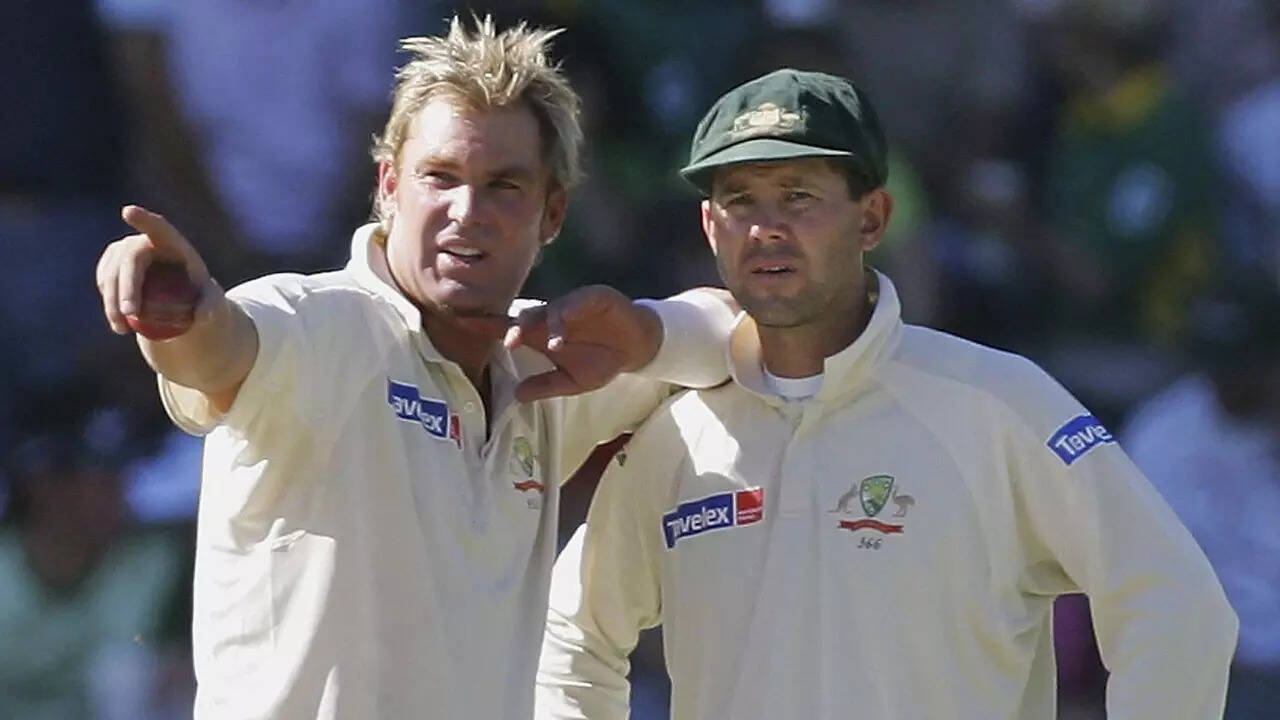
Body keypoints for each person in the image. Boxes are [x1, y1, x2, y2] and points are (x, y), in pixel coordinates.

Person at [535, 68, 1237, 719]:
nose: (766, 227)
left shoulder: (998, 402)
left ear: (873, 218)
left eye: (799, 197)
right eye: (740, 201)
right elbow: (571, 637)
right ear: (710, 228)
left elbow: (1174, 600)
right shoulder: (677, 438)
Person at [93, 17, 735, 719]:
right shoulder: (318, 324)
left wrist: (646, 334)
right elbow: (216, 350)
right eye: (440, 177)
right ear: (390, 185)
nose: (468, 211)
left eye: (504, 185)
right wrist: (172, 310)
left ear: (553, 213)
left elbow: (735, 334)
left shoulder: (548, 366)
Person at [1123, 281, 1280, 718]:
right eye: (1219, 364)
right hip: (1216, 662)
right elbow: (1141, 574)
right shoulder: (1162, 432)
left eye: (1244, 365)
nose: (1226, 379)